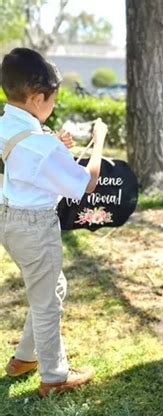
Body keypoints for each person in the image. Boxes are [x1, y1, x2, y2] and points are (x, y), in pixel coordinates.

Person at [0, 48, 108, 397]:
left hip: (9, 220)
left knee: (51, 288)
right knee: (47, 301)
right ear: (36, 97)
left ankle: (25, 358)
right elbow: (86, 182)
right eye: (51, 101)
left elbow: (24, 163)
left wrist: (54, 146)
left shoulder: (7, 126)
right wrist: (99, 142)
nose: (52, 107)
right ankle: (54, 377)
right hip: (33, 226)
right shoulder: (41, 146)